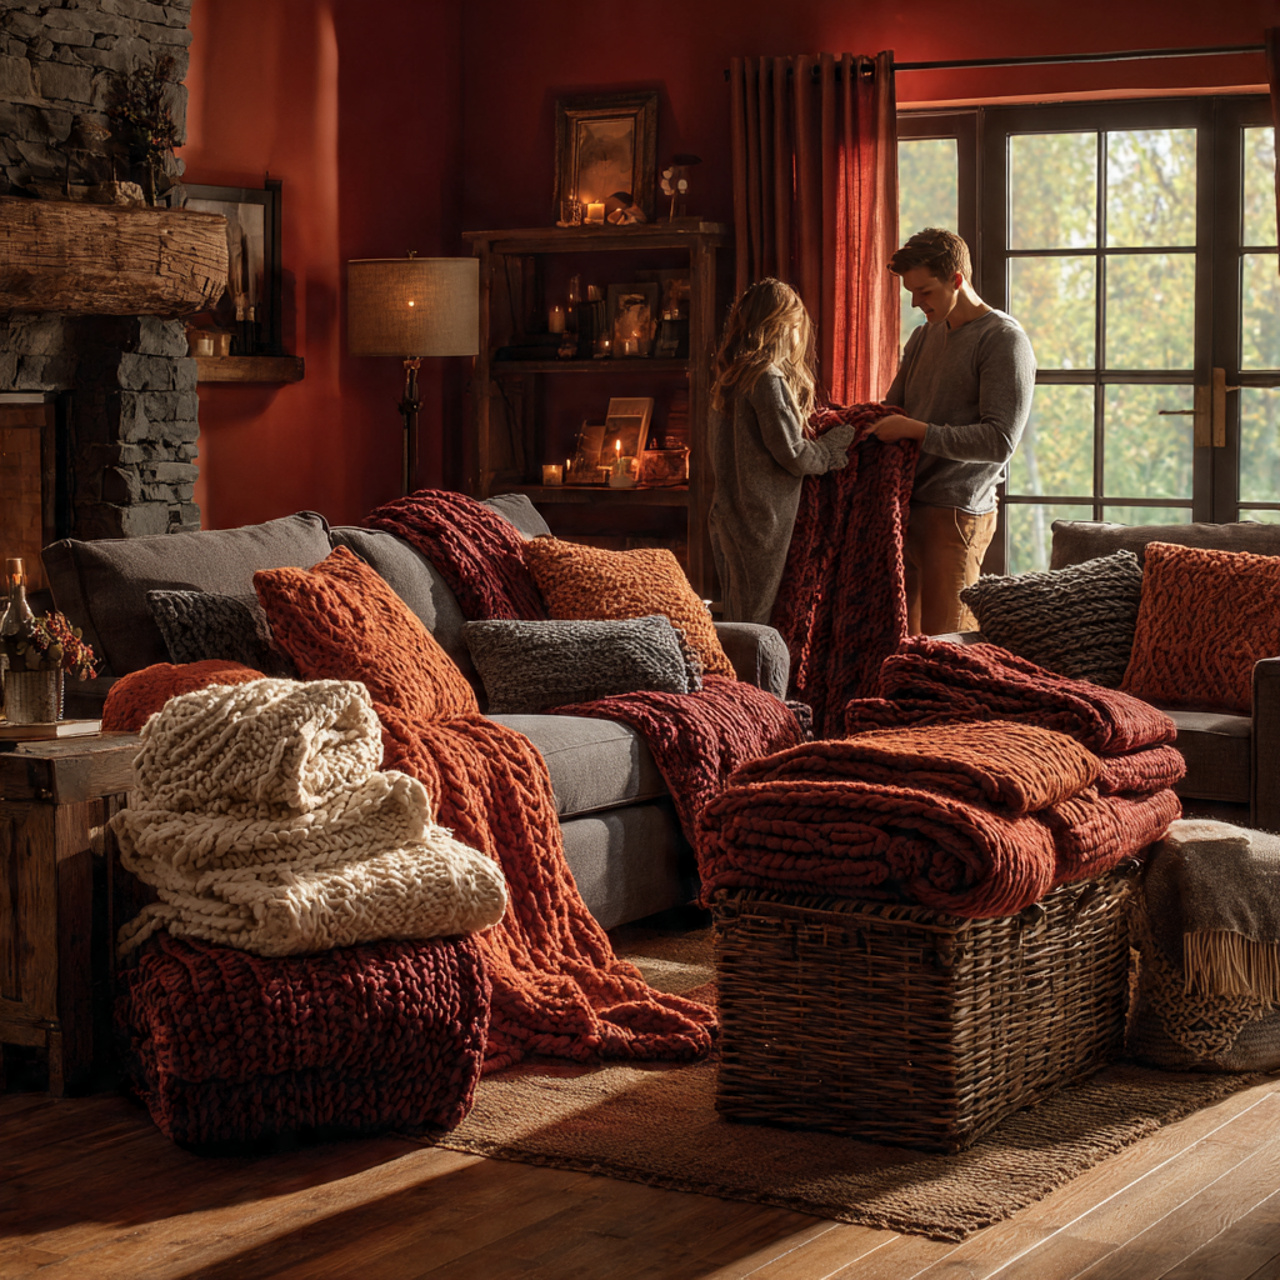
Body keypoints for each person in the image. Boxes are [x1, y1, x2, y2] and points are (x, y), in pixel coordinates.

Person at [868, 227, 1036, 636]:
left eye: (924, 292)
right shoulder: (923, 335)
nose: (914, 303)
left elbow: (999, 441)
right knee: (900, 647)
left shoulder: (1003, 340)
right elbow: (893, 409)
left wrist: (917, 430)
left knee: (947, 650)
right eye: (911, 292)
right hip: (906, 509)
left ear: (957, 280)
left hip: (958, 516)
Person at [708, 278, 856, 624]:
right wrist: (830, 450)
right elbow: (792, 452)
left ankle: (741, 679)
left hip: (729, 512)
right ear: (782, 326)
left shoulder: (730, 377)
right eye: (795, 327)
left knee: (739, 617)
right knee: (756, 623)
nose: (797, 338)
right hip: (762, 520)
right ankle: (751, 681)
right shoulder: (767, 377)